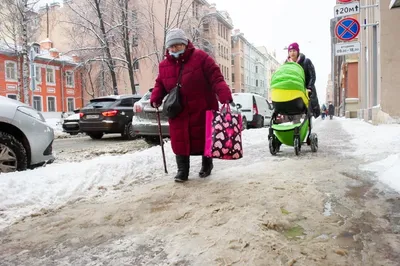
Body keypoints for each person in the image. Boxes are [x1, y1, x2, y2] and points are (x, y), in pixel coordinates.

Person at [150, 28, 233, 183]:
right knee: (180, 139)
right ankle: (182, 171)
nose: (174, 49)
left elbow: (216, 78)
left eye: (177, 45)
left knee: (205, 137)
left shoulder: (201, 58)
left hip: (202, 107)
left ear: (185, 44)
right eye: (171, 47)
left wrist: (225, 96)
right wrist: (156, 97)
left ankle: (207, 164)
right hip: (179, 110)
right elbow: (160, 84)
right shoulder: (164, 66)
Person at [285, 42, 320, 120]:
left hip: (306, 90)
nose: (292, 53)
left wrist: (309, 87)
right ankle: (296, 129)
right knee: (295, 112)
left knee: (307, 112)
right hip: (294, 91)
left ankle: (308, 129)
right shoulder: (286, 64)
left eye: (294, 50)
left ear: (298, 51)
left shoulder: (306, 61)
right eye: (290, 51)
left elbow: (312, 76)